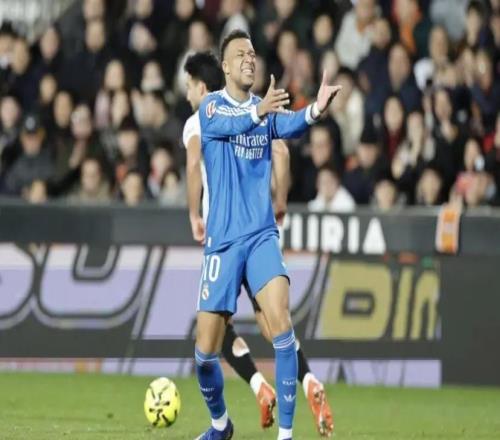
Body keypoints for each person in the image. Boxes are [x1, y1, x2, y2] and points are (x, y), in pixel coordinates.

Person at [190, 30, 341, 440]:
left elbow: (289, 126)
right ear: (225, 66)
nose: (249, 59)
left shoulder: (264, 109)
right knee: (205, 354)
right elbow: (234, 124)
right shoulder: (210, 107)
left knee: (282, 328)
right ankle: (221, 425)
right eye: (240, 54)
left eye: (253, 54)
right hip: (222, 243)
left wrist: (316, 110)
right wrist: (260, 113)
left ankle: (286, 435)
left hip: (259, 236)